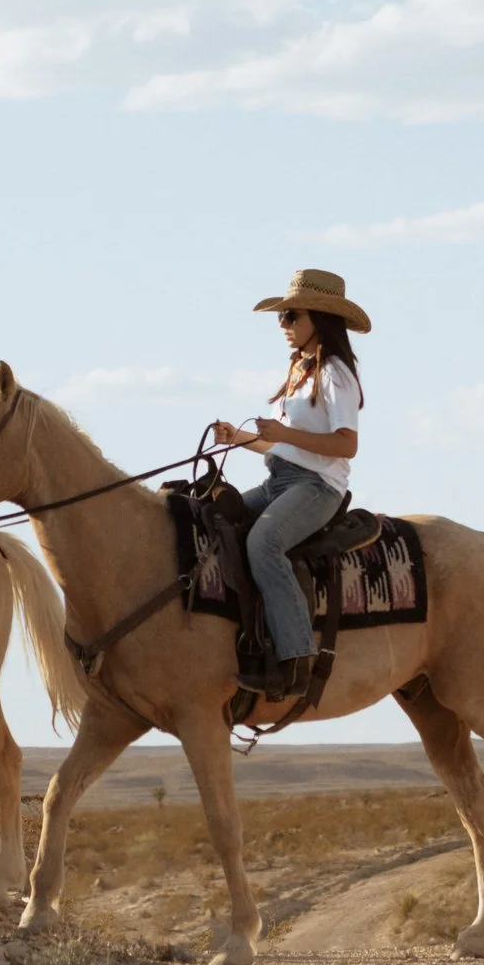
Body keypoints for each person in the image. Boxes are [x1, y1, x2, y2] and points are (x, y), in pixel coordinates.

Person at [209, 269, 367, 699]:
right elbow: (280, 448)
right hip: (282, 480)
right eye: (282, 317)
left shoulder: (336, 373)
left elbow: (346, 445)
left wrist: (281, 436)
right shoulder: (299, 372)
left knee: (263, 543)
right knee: (216, 521)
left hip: (319, 487)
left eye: (291, 316)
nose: (283, 325)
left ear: (319, 317)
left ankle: (295, 659)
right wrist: (236, 437)